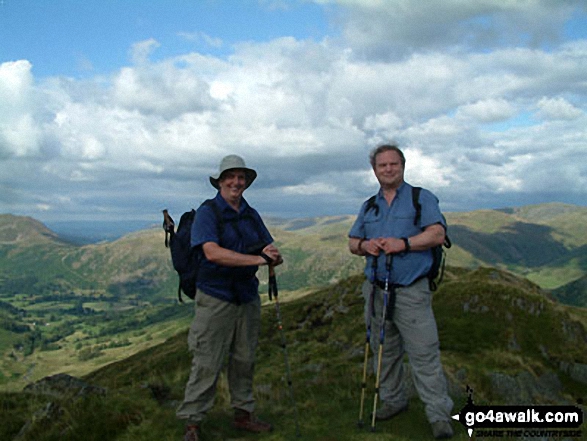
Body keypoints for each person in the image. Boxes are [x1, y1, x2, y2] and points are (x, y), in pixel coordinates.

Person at [348, 144, 454, 439]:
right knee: (385, 349)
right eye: (382, 165)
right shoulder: (369, 206)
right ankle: (394, 401)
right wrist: (365, 246)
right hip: (375, 291)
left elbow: (437, 234)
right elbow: (352, 242)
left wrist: (403, 244)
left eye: (393, 164)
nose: (388, 169)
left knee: (424, 353)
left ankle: (439, 415)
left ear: (403, 166)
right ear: (375, 170)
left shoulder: (421, 198)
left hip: (411, 291)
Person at [177, 154, 283, 441]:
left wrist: (273, 255)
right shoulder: (208, 213)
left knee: (244, 359)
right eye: (231, 177)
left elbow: (267, 244)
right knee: (207, 360)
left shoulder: (250, 213)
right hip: (216, 296)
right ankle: (192, 423)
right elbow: (211, 252)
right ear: (220, 180)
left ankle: (243, 414)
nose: (236, 182)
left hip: (246, 297)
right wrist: (257, 261)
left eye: (241, 177)